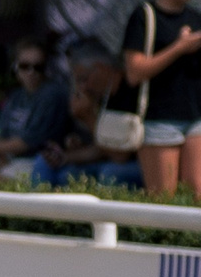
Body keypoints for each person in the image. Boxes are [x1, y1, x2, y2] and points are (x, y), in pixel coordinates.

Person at [118, 0, 201, 193]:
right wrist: (178, 47)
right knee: (163, 198)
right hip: (159, 119)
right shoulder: (145, 16)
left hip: (195, 116)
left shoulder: (196, 18)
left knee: (197, 195)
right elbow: (134, 72)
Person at [31, 51, 143, 189]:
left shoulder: (128, 93)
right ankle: (37, 209)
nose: (82, 87)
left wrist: (89, 118)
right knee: (50, 166)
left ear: (100, 68)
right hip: (105, 160)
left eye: (84, 79)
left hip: (134, 165)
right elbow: (99, 150)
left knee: (109, 172)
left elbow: (119, 156)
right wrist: (65, 156)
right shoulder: (100, 96)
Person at [0, 37, 70, 178]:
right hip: (13, 159)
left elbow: (29, 143)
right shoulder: (16, 96)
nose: (31, 72)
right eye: (25, 66)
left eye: (38, 67)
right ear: (15, 67)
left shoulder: (52, 95)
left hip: (40, 162)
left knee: (1, 175)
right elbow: (2, 134)